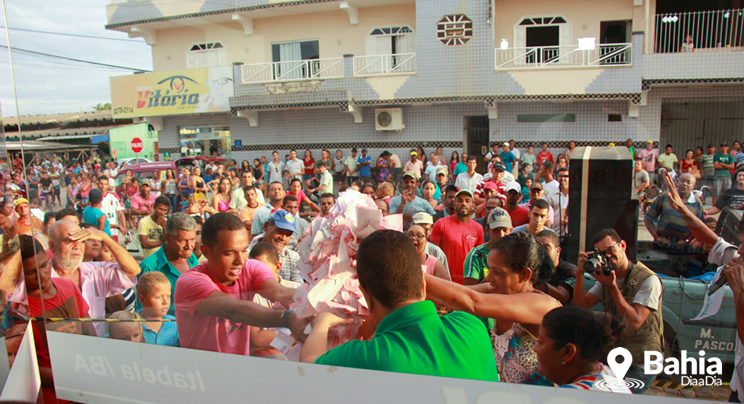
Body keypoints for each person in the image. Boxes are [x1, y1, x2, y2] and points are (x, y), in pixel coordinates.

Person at [300, 229, 499, 382]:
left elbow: (309, 370)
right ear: (424, 283)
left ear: (365, 296)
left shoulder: (364, 357)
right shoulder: (471, 327)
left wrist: (321, 324)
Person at [424, 232, 561, 384]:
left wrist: (412, 274)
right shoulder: (500, 290)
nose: (489, 278)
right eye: (489, 270)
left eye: (497, 272)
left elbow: (472, 301)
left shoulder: (543, 305)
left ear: (524, 274)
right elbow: (457, 293)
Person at [174, 213, 309, 355]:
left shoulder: (251, 267)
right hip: (199, 372)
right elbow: (233, 309)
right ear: (206, 252)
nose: (239, 260)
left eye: (244, 250)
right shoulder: (190, 282)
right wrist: (287, 319)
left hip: (240, 368)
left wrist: (319, 304)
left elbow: (280, 293)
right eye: (229, 253)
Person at [574, 228, 663, 394]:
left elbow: (635, 322)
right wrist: (579, 272)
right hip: (616, 353)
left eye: (610, 250)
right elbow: (581, 305)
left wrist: (613, 287)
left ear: (622, 245)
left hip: (642, 358)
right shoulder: (606, 277)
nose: (607, 256)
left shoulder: (648, 280)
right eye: (601, 253)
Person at [14, 235, 96, 401]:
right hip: (52, 395)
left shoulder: (68, 286)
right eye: (30, 273)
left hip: (85, 388)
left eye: (44, 265)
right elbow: (23, 368)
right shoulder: (19, 310)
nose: (42, 276)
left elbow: (89, 333)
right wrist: (70, 379)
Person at [39, 220, 141, 336]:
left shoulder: (95, 272)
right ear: (52, 246)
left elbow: (133, 270)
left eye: (81, 241)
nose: (77, 247)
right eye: (70, 241)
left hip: (94, 347)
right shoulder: (40, 278)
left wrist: (104, 237)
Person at [536, 306, 631, 393]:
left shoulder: (570, 397)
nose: (535, 348)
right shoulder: (605, 372)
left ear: (567, 352)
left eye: (540, 342)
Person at [249, 242, 302, 359]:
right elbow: (256, 340)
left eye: (258, 269)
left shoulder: (297, 289)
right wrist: (296, 336)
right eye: (249, 269)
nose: (252, 274)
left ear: (277, 267)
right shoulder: (250, 296)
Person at [139, 213, 199, 315]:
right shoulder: (149, 266)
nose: (189, 246)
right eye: (182, 241)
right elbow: (143, 312)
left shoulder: (191, 258)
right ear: (167, 237)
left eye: (192, 239)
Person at [463, 206, 514, 325]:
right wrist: (492, 277)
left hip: (509, 322)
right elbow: (469, 294)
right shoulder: (476, 255)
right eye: (496, 230)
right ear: (487, 231)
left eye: (505, 230)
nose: (501, 235)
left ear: (511, 230)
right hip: (484, 324)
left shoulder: (518, 255)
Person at [430, 190, 483, 285]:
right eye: (459, 200)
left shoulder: (478, 228)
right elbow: (432, 254)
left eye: (467, 201)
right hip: (445, 280)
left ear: (473, 206)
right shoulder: (440, 224)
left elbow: (479, 258)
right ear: (454, 205)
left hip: (469, 282)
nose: (463, 203)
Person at [644, 173, 703, 245]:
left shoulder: (697, 202)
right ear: (677, 182)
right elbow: (648, 218)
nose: (684, 184)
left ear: (693, 186)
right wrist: (657, 237)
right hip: (662, 242)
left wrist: (687, 240)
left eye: (688, 182)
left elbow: (700, 226)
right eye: (682, 181)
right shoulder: (665, 196)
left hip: (684, 245)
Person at [248, 209, 302, 283]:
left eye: (288, 234)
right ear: (266, 226)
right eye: (280, 231)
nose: (283, 238)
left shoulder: (294, 258)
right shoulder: (246, 255)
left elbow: (298, 290)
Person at [535, 230, 577, 305]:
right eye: (537, 248)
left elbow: (562, 297)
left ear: (557, 251)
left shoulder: (570, 270)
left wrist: (536, 280)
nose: (541, 252)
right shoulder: (532, 268)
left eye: (546, 248)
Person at [138, 272, 179, 346]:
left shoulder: (175, 323)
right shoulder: (131, 323)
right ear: (142, 300)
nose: (165, 302)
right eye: (158, 297)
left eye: (168, 296)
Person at [97, 175, 128, 241]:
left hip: (113, 232)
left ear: (108, 185)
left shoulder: (114, 197)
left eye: (105, 184)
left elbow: (120, 214)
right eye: (101, 184)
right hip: (100, 232)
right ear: (98, 184)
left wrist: (125, 228)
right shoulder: (94, 198)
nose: (103, 186)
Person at [546, 168, 570, 235]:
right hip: (557, 233)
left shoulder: (575, 194)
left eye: (565, 176)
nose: (562, 178)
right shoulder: (551, 195)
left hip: (571, 233)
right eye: (560, 176)